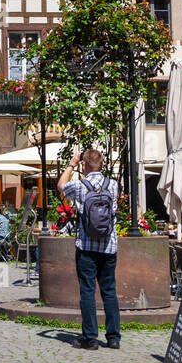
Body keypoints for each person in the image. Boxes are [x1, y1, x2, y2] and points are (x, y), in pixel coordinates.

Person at [57, 148, 121, 351]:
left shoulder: (79, 185)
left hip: (86, 246)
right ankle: (113, 338)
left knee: (87, 291)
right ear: (102, 165)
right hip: (108, 246)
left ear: (84, 165)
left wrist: (71, 164)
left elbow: (60, 185)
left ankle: (90, 338)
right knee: (109, 291)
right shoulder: (113, 184)